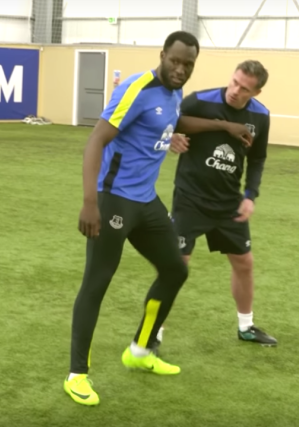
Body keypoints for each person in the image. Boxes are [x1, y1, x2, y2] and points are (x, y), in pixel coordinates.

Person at [65, 31, 254, 407]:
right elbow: (96, 140)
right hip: (113, 201)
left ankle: (140, 349)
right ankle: (77, 375)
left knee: (175, 270)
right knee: (97, 282)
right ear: (163, 55)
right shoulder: (138, 88)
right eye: (175, 61)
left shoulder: (171, 93)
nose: (180, 69)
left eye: (188, 65)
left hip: (146, 202)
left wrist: (224, 126)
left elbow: (174, 121)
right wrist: (90, 202)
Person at [152, 60, 277, 355]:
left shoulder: (260, 116)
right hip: (190, 199)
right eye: (234, 82)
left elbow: (257, 159)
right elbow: (163, 122)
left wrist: (250, 195)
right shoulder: (200, 100)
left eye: (244, 88)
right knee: (176, 265)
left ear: (257, 91)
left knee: (244, 263)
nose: (235, 90)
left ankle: (246, 327)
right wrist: (171, 138)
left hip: (228, 203)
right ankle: (153, 331)